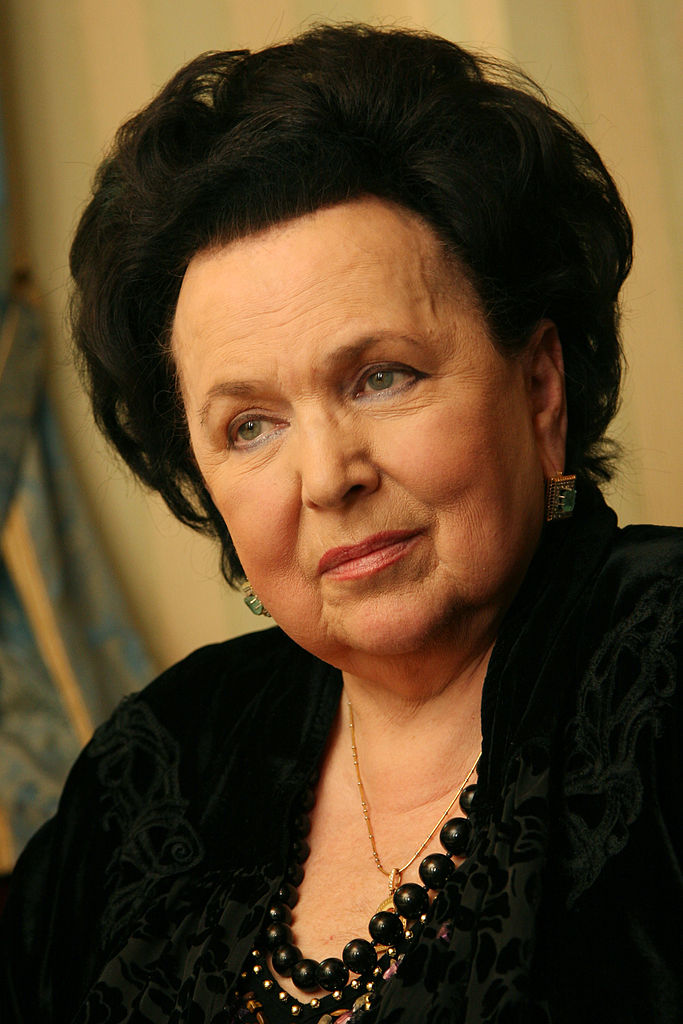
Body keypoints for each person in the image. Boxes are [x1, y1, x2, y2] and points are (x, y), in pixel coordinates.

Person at [1, 22, 681, 1024]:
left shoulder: (659, 675)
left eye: (381, 377)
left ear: (539, 388)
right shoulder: (162, 765)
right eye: (249, 426)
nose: (327, 478)